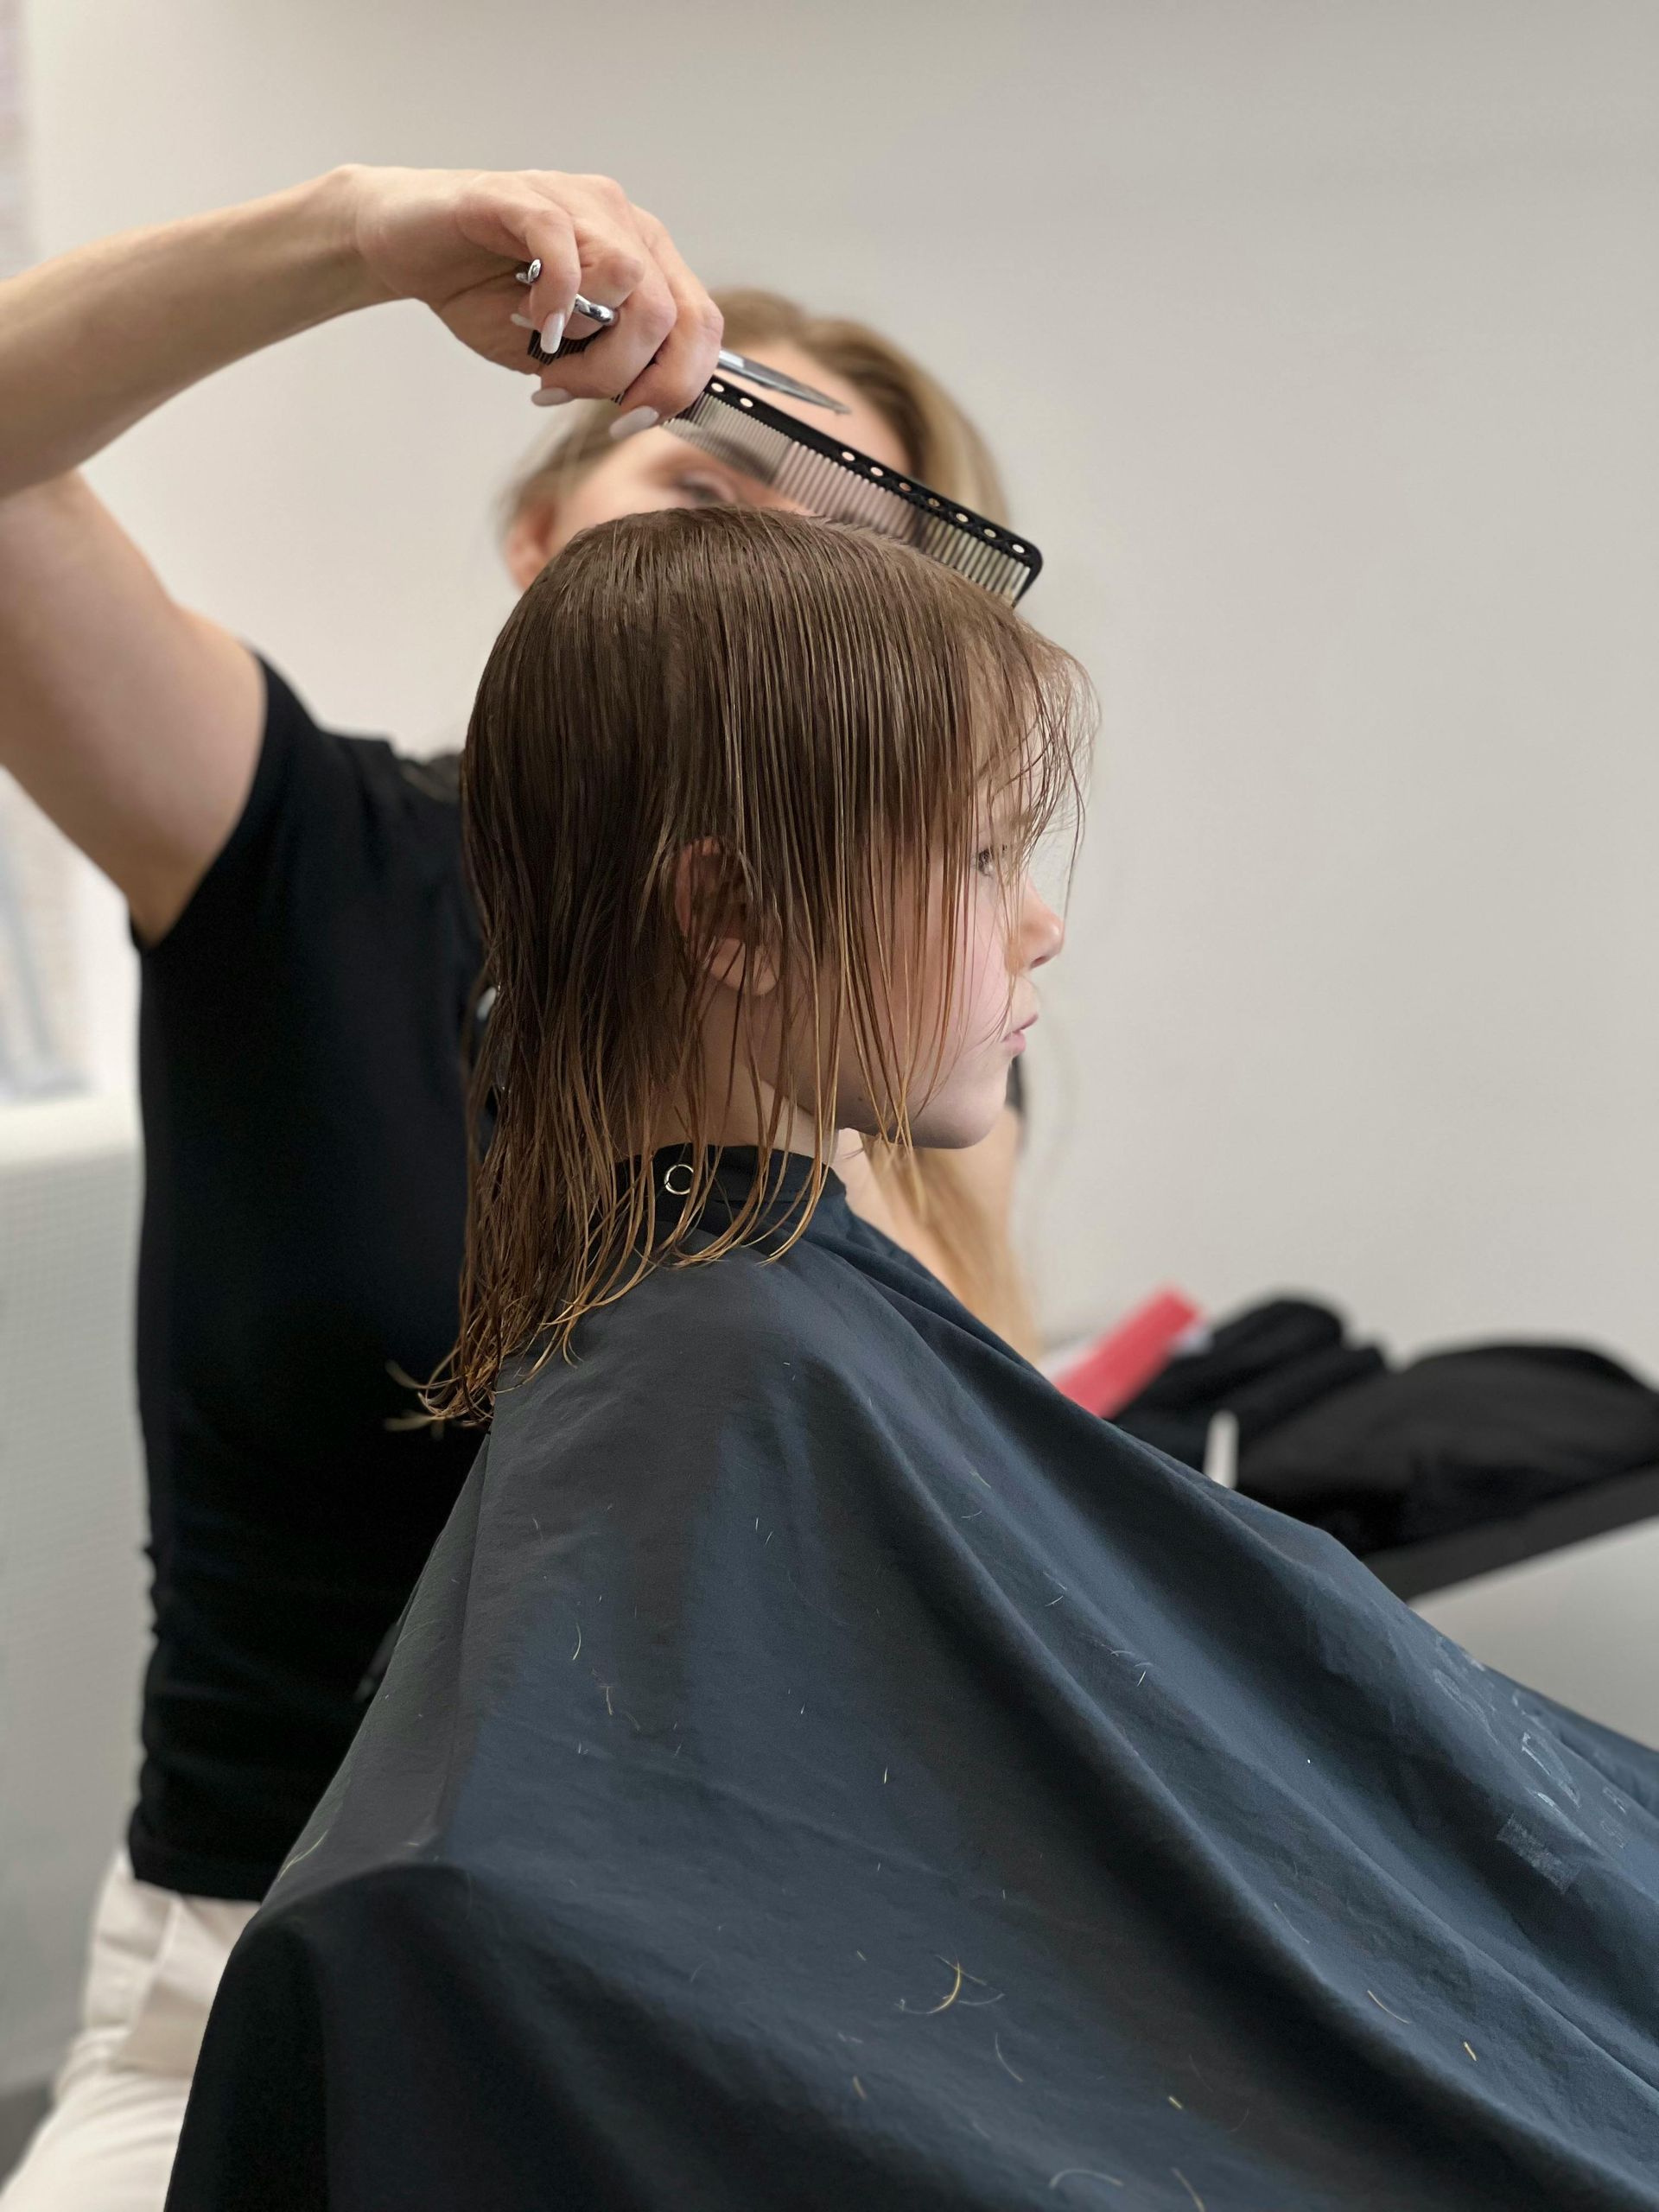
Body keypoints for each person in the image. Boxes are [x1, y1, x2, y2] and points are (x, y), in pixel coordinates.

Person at [169, 509, 1659, 2212]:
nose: (1041, 924)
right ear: (730, 912)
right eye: (979, 860)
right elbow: (476, 1910)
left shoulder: (758, 1313)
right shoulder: (726, 1353)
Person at [0, 166, 1029, 2210]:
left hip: (710, 2003)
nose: (760, 545)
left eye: (835, 534)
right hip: (258, 1983)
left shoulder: (897, 1033)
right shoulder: (301, 857)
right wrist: (355, 236)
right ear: (544, 533)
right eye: (705, 469)